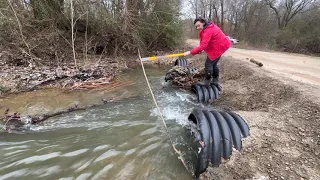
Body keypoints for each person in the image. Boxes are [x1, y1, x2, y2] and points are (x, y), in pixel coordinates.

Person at [184, 17, 231, 86]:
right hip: (221, 45)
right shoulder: (209, 26)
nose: (197, 28)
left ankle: (207, 82)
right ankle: (215, 81)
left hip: (219, 47)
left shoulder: (208, 31)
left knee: (208, 64)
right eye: (196, 26)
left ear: (203, 22)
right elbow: (205, 43)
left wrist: (190, 52)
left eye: (198, 25)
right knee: (214, 64)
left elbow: (203, 46)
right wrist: (200, 50)